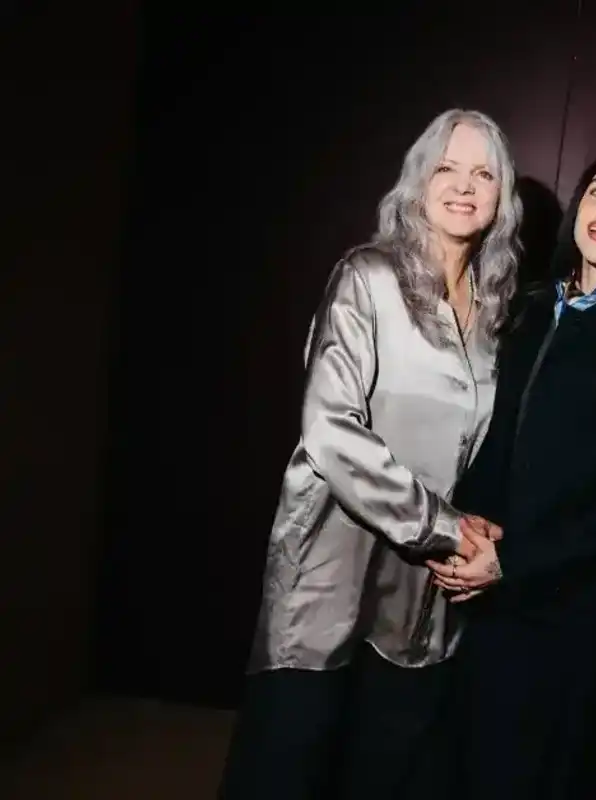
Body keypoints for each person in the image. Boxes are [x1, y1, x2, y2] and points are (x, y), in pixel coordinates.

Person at [218, 108, 522, 800]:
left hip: (420, 595)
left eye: (483, 174)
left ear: (502, 197)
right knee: (288, 768)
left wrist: (482, 536)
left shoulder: (494, 313)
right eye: (446, 167)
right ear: (418, 181)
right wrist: (446, 527)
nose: (464, 185)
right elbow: (330, 430)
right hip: (330, 571)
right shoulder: (368, 276)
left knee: (383, 771)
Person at [428, 145, 596, 800]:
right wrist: (468, 534)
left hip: (582, 616)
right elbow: (496, 439)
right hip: (500, 603)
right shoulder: (530, 309)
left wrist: (513, 561)